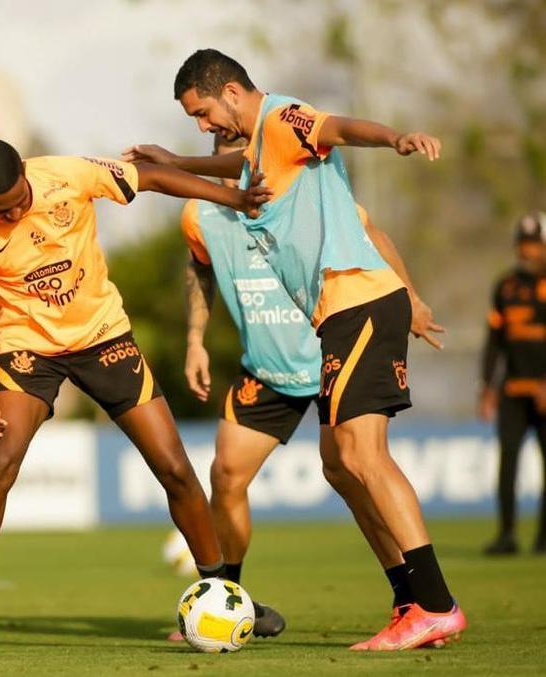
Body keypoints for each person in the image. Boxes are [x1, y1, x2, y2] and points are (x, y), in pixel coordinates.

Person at [124, 48, 465, 651]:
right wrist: (175, 160)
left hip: (358, 300)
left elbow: (336, 127)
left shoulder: (282, 118)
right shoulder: (256, 151)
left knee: (364, 456)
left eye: (203, 113)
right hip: (335, 316)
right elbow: (235, 164)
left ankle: (434, 604)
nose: (202, 127)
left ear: (231, 91)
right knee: (340, 465)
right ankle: (411, 600)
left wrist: (395, 139)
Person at [0, 139, 270, 658]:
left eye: (20, 198)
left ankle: (224, 594)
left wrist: (234, 200)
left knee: (175, 468)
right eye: (2, 210)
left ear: (25, 172)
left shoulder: (70, 174)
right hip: (29, 349)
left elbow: (151, 176)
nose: (17, 212)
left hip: (103, 337)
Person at [479, 211, 546, 555]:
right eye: (523, 244)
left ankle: (543, 538)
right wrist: (487, 387)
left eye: (533, 244)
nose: (527, 252)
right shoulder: (505, 286)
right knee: (508, 464)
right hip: (513, 391)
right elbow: (494, 341)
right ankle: (507, 534)